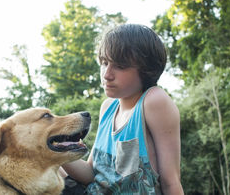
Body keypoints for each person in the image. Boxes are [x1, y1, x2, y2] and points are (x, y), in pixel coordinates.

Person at [61, 24, 183, 194]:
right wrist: (55, 150)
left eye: (120, 66)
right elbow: (92, 173)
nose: (106, 74)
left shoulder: (154, 101)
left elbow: (171, 182)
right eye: (104, 63)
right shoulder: (108, 107)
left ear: (146, 69)